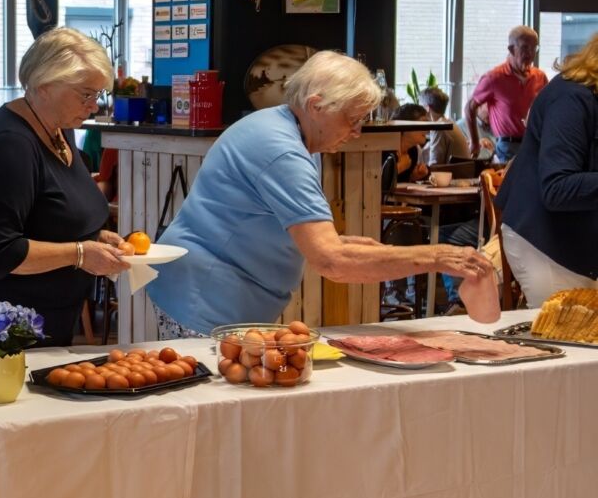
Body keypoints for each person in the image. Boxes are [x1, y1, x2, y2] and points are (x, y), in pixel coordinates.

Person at [147, 51, 492, 335]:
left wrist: (363, 248)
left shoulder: (285, 130)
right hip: (204, 302)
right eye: (352, 118)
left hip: (211, 297)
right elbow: (330, 261)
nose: (357, 131)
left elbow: (317, 240)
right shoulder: (282, 150)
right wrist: (436, 257)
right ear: (316, 106)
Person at [0, 27, 130, 347]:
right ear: (45, 85)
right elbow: (0, 252)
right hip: (7, 332)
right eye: (86, 94)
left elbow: (51, 215)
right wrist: (79, 253)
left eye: (98, 95)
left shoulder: (59, 129)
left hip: (49, 319)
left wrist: (95, 237)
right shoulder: (12, 144)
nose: (94, 106)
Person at [494, 32, 598, 306]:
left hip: (579, 241)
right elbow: (557, 189)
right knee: (567, 341)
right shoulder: (572, 98)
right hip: (545, 241)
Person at [466, 25, 548, 163]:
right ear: (511, 49)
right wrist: (474, 142)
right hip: (507, 146)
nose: (530, 54)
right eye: (525, 48)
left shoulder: (540, 77)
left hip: (534, 144)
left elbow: (549, 108)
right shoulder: (494, 78)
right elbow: (469, 107)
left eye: (534, 48)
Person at [382, 103, 430, 190]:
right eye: (423, 123)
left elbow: (400, 183)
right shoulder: (385, 149)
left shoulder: (413, 150)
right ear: (405, 125)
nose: (427, 129)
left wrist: (413, 177)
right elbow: (373, 183)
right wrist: (399, 168)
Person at [419, 86, 471, 166]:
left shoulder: (439, 128)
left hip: (455, 177)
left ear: (427, 108)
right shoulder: (449, 123)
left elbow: (434, 166)